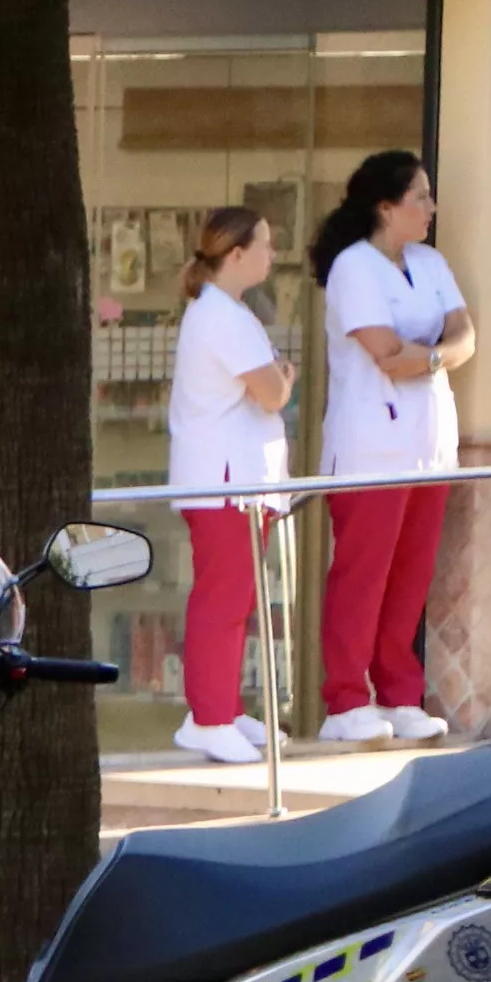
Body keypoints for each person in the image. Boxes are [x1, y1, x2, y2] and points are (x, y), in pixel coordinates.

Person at [312, 149, 472, 747]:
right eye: (420, 197)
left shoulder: (430, 262)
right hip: (370, 447)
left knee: (409, 577)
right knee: (363, 576)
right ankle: (346, 699)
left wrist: (427, 356)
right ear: (386, 206)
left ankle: (400, 693)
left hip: (428, 443)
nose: (430, 208)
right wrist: (434, 355)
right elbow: (384, 351)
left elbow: (465, 333)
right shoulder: (355, 267)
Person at [165, 208, 291, 768]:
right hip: (223, 485)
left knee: (236, 599)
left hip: (237, 482)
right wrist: (283, 376)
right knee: (222, 600)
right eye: (264, 245)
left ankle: (221, 707)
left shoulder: (226, 313)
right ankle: (209, 717)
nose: (271, 254)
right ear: (235, 254)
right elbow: (272, 393)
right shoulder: (222, 317)